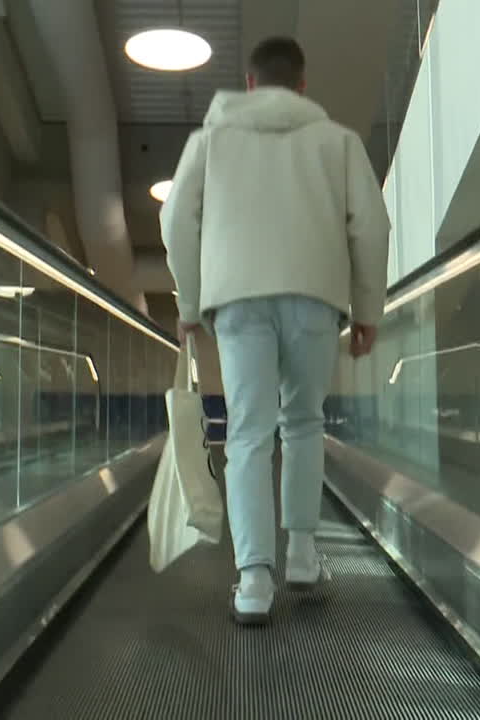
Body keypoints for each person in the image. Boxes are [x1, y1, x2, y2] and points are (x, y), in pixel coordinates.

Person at [160, 36, 390, 625]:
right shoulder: (339, 143)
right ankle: (306, 554)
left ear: (251, 83)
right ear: (303, 85)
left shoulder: (209, 141)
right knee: (304, 422)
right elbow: (372, 226)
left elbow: (175, 218)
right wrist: (367, 309)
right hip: (316, 297)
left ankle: (255, 580)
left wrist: (189, 301)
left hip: (236, 299)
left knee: (248, 434)